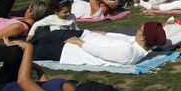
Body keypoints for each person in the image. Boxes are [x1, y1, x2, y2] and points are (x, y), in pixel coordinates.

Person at [30, 21, 166, 66]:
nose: (136, 30)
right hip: (86, 35)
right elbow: (123, 37)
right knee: (48, 36)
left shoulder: (130, 53)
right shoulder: (137, 43)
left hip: (70, 50)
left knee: (34, 51)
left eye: (139, 29)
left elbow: (99, 51)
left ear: (143, 38)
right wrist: (104, 33)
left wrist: (78, 42)